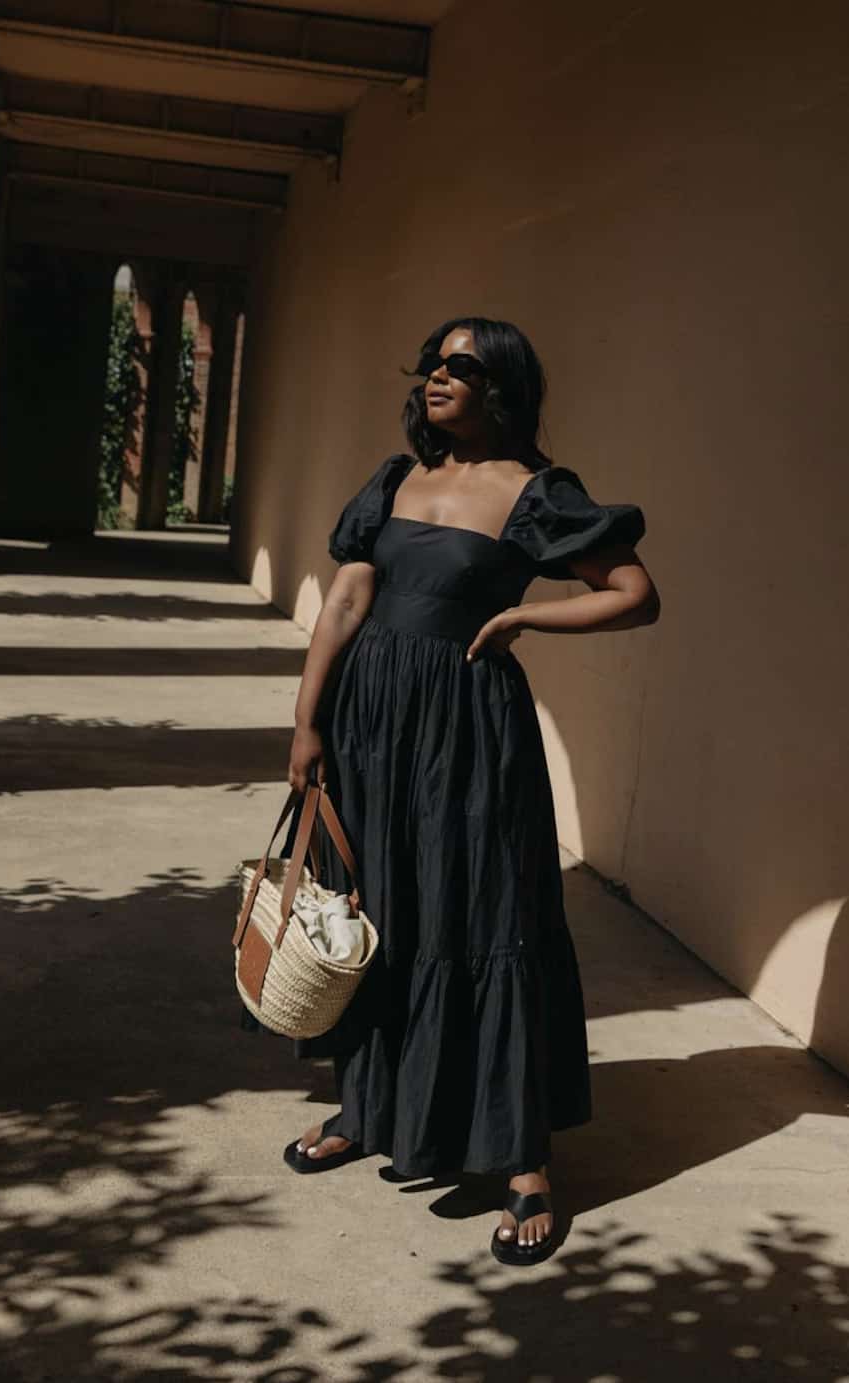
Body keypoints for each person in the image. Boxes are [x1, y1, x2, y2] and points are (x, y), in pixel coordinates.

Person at [255, 316, 659, 1266]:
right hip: (369, 725)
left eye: (462, 367)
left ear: (503, 387)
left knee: (486, 915)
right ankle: (368, 1108)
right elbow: (348, 599)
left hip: (470, 731)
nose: (439, 378)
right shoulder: (396, 480)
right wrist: (307, 720)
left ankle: (522, 1160)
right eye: (433, 363)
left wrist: (527, 610)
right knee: (378, 906)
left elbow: (635, 592)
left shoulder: (536, 495)